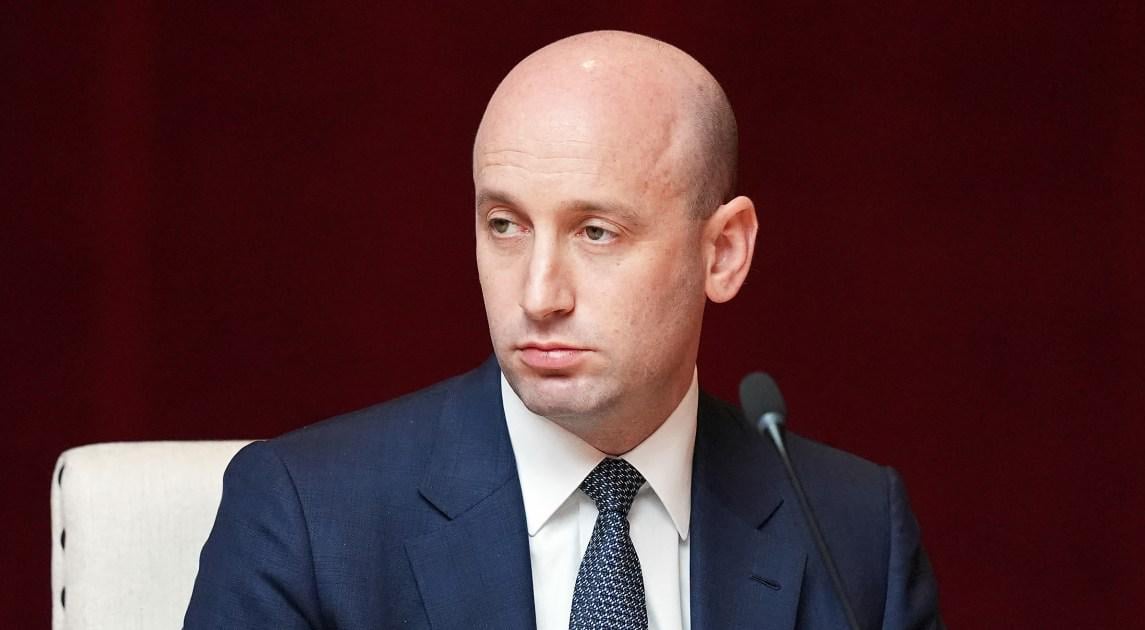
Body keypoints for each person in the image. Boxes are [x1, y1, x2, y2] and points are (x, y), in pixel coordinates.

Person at [184, 30, 942, 629]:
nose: (539, 295)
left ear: (723, 252)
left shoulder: (852, 531)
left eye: (596, 233)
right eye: (505, 225)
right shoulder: (307, 518)